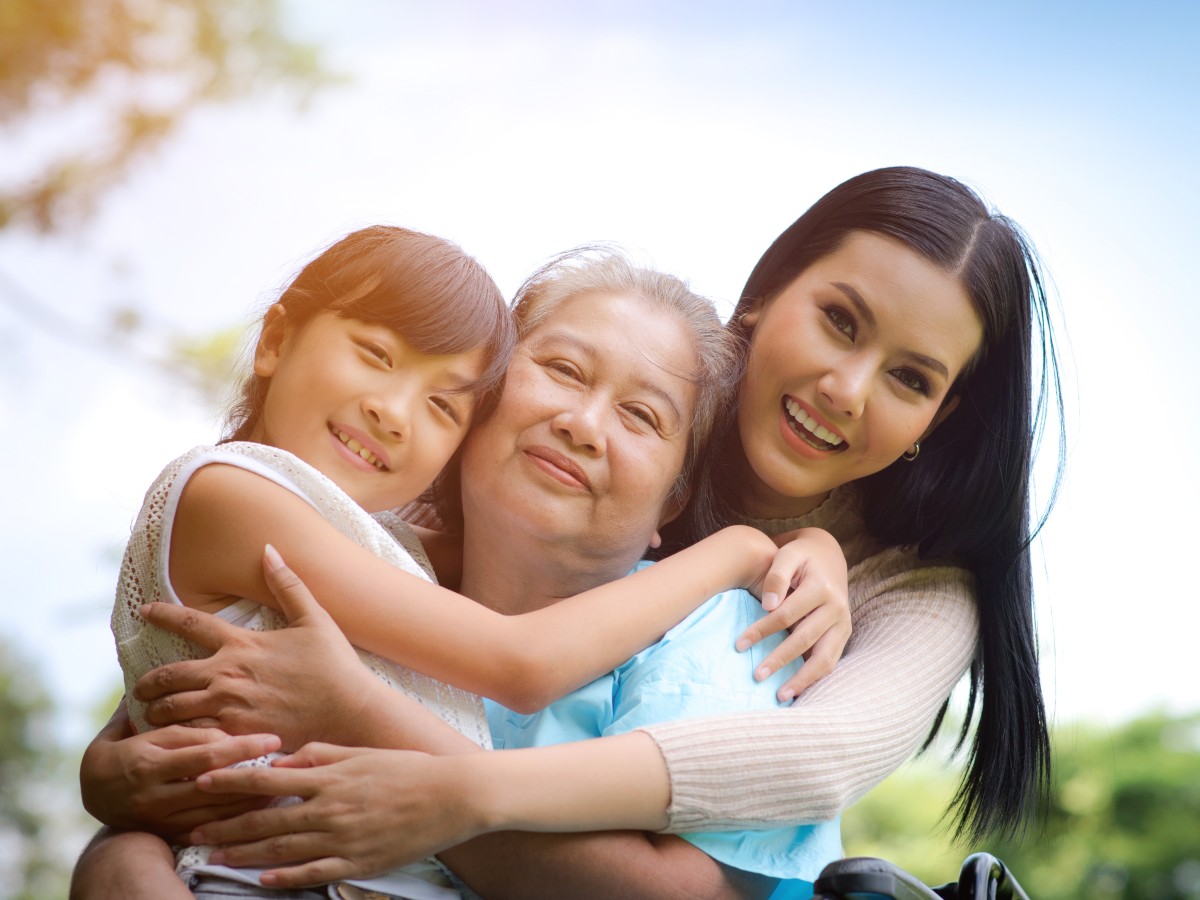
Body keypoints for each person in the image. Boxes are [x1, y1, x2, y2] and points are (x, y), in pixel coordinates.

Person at [78, 166, 1062, 897]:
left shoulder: (835, 600)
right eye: (841, 322)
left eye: (911, 378)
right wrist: (115, 774)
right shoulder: (472, 501)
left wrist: (439, 775)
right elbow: (220, 666)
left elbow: (809, 765)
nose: (846, 390)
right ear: (766, 303)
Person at [94, 233, 853, 898]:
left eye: (641, 415)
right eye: (561, 368)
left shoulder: (713, 624)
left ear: (673, 500)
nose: (582, 424)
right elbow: (145, 753)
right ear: (488, 406)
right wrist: (112, 824)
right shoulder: (373, 552)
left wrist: (350, 707)